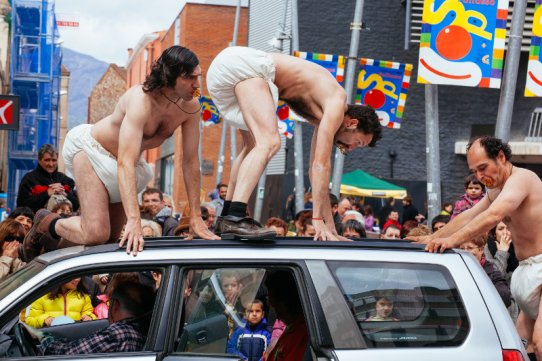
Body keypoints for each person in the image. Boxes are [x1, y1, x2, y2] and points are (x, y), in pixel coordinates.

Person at [21, 46, 218, 261]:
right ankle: (46, 221)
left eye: (198, 77)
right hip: (92, 151)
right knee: (96, 232)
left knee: (110, 242)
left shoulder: (193, 104)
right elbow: (125, 161)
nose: (197, 85)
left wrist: (196, 217)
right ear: (169, 75)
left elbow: (190, 162)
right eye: (190, 78)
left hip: (127, 165)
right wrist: (134, 219)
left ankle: (49, 248)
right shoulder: (141, 99)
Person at [208, 46, 381, 240]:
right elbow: (321, 165)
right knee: (270, 142)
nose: (350, 149)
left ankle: (226, 217)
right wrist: (316, 220)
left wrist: (330, 228)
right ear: (352, 123)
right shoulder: (337, 102)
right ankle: (235, 218)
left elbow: (316, 174)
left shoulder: (323, 114)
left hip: (229, 70)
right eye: (358, 142)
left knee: (253, 146)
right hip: (246, 67)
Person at [406, 136, 542, 361]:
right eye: (474, 171)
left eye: (483, 168)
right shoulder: (497, 190)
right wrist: (434, 237)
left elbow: (493, 215)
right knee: (519, 344)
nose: (479, 177)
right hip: (526, 270)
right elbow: (469, 214)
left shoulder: (523, 178)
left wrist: (451, 241)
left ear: (500, 157)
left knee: (539, 342)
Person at [32, 281, 156, 355]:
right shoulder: (139, 331)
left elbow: (67, 354)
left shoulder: (119, 334)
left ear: (115, 306)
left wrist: (46, 340)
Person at [16, 144, 79, 214]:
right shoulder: (29, 179)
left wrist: (65, 194)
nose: (51, 164)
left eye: (54, 160)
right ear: (39, 160)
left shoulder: (65, 180)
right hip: (39, 223)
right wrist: (46, 194)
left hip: (63, 222)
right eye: (47, 160)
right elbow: (22, 206)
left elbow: (76, 205)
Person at [264, 270, 308, 361]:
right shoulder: (292, 329)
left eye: (270, 297)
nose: (269, 303)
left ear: (283, 300)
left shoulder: (299, 334)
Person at [459, 236, 511, 308]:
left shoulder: (492, 271)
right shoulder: (457, 270)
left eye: (470, 248)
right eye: (462, 249)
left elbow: (505, 297)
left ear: (481, 250)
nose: (465, 251)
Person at [25, 277, 96, 328]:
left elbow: (89, 314)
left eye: (79, 276)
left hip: (75, 338)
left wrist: (89, 317)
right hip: (51, 338)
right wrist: (44, 320)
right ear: (61, 277)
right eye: (73, 276)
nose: (77, 279)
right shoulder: (42, 296)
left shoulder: (83, 297)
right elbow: (30, 320)